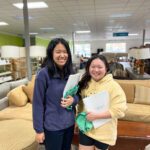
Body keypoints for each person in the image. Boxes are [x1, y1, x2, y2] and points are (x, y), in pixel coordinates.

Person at [32, 38, 79, 150]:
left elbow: (76, 95)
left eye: (65, 52)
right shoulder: (43, 74)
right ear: (51, 53)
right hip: (53, 126)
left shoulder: (71, 72)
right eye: (58, 52)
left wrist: (73, 100)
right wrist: (39, 130)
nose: (62, 55)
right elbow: (37, 104)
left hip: (69, 123)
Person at [77, 55, 127, 150]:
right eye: (93, 67)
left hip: (104, 132)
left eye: (100, 67)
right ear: (88, 68)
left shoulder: (113, 86)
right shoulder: (85, 83)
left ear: (106, 68)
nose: (96, 70)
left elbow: (120, 110)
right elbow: (80, 104)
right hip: (86, 129)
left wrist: (97, 116)